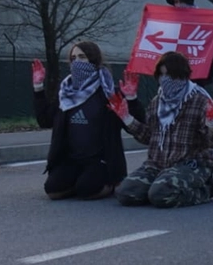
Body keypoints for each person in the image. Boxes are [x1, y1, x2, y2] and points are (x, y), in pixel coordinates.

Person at [31, 41, 145, 200]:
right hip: (72, 159)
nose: (77, 62)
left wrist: (132, 99)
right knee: (53, 190)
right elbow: (45, 120)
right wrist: (38, 88)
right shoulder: (66, 93)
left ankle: (111, 183)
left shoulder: (108, 91)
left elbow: (137, 125)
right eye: (73, 58)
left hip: (100, 160)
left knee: (88, 190)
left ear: (94, 60)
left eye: (82, 57)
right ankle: (78, 181)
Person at [109, 51, 213, 208]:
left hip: (190, 164)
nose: (166, 80)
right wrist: (127, 119)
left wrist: (211, 124)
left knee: (161, 195)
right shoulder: (157, 103)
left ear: (183, 75)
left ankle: (205, 189)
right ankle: (160, 185)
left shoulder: (200, 101)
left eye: (171, 75)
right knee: (125, 193)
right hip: (158, 164)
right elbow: (148, 137)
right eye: (162, 75)